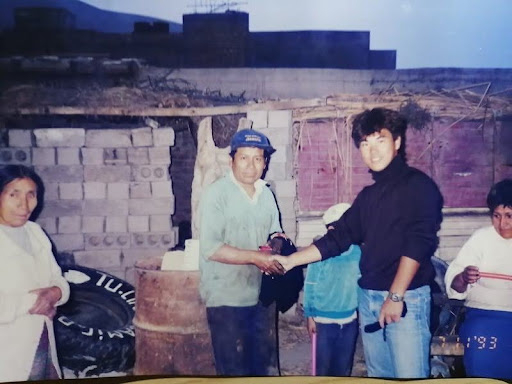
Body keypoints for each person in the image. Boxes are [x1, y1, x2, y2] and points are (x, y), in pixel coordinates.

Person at [272, 108, 443, 378]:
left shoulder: (419, 186)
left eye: (380, 140)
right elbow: (338, 238)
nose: (372, 151)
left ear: (397, 142)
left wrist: (395, 295)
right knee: (379, 375)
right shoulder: (368, 196)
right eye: (365, 143)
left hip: (405, 299)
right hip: (370, 299)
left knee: (409, 375)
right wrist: (290, 260)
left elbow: (419, 242)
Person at [198, 128, 285, 376]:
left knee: (263, 366)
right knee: (233, 369)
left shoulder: (266, 193)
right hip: (226, 297)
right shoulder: (217, 194)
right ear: (231, 160)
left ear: (265, 162)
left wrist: (277, 245)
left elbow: (275, 232)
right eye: (244, 158)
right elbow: (211, 248)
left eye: (258, 158)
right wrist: (258, 257)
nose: (251, 165)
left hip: (261, 294)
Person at [0, 164, 70, 382]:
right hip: (8, 349)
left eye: (31, 195)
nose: (24, 205)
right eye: (14, 195)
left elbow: (58, 278)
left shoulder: (35, 232)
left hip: (42, 341)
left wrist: (55, 293)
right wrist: (37, 301)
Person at [444, 179, 512, 379]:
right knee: (480, 339)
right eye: (496, 216)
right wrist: (464, 277)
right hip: (483, 316)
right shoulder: (481, 238)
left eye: (509, 216)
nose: (502, 224)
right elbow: (454, 282)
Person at [303, 203, 361, 376]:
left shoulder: (358, 252)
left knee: (344, 365)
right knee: (323, 366)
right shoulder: (319, 253)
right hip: (324, 320)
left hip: (350, 319)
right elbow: (310, 284)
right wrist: (310, 316)